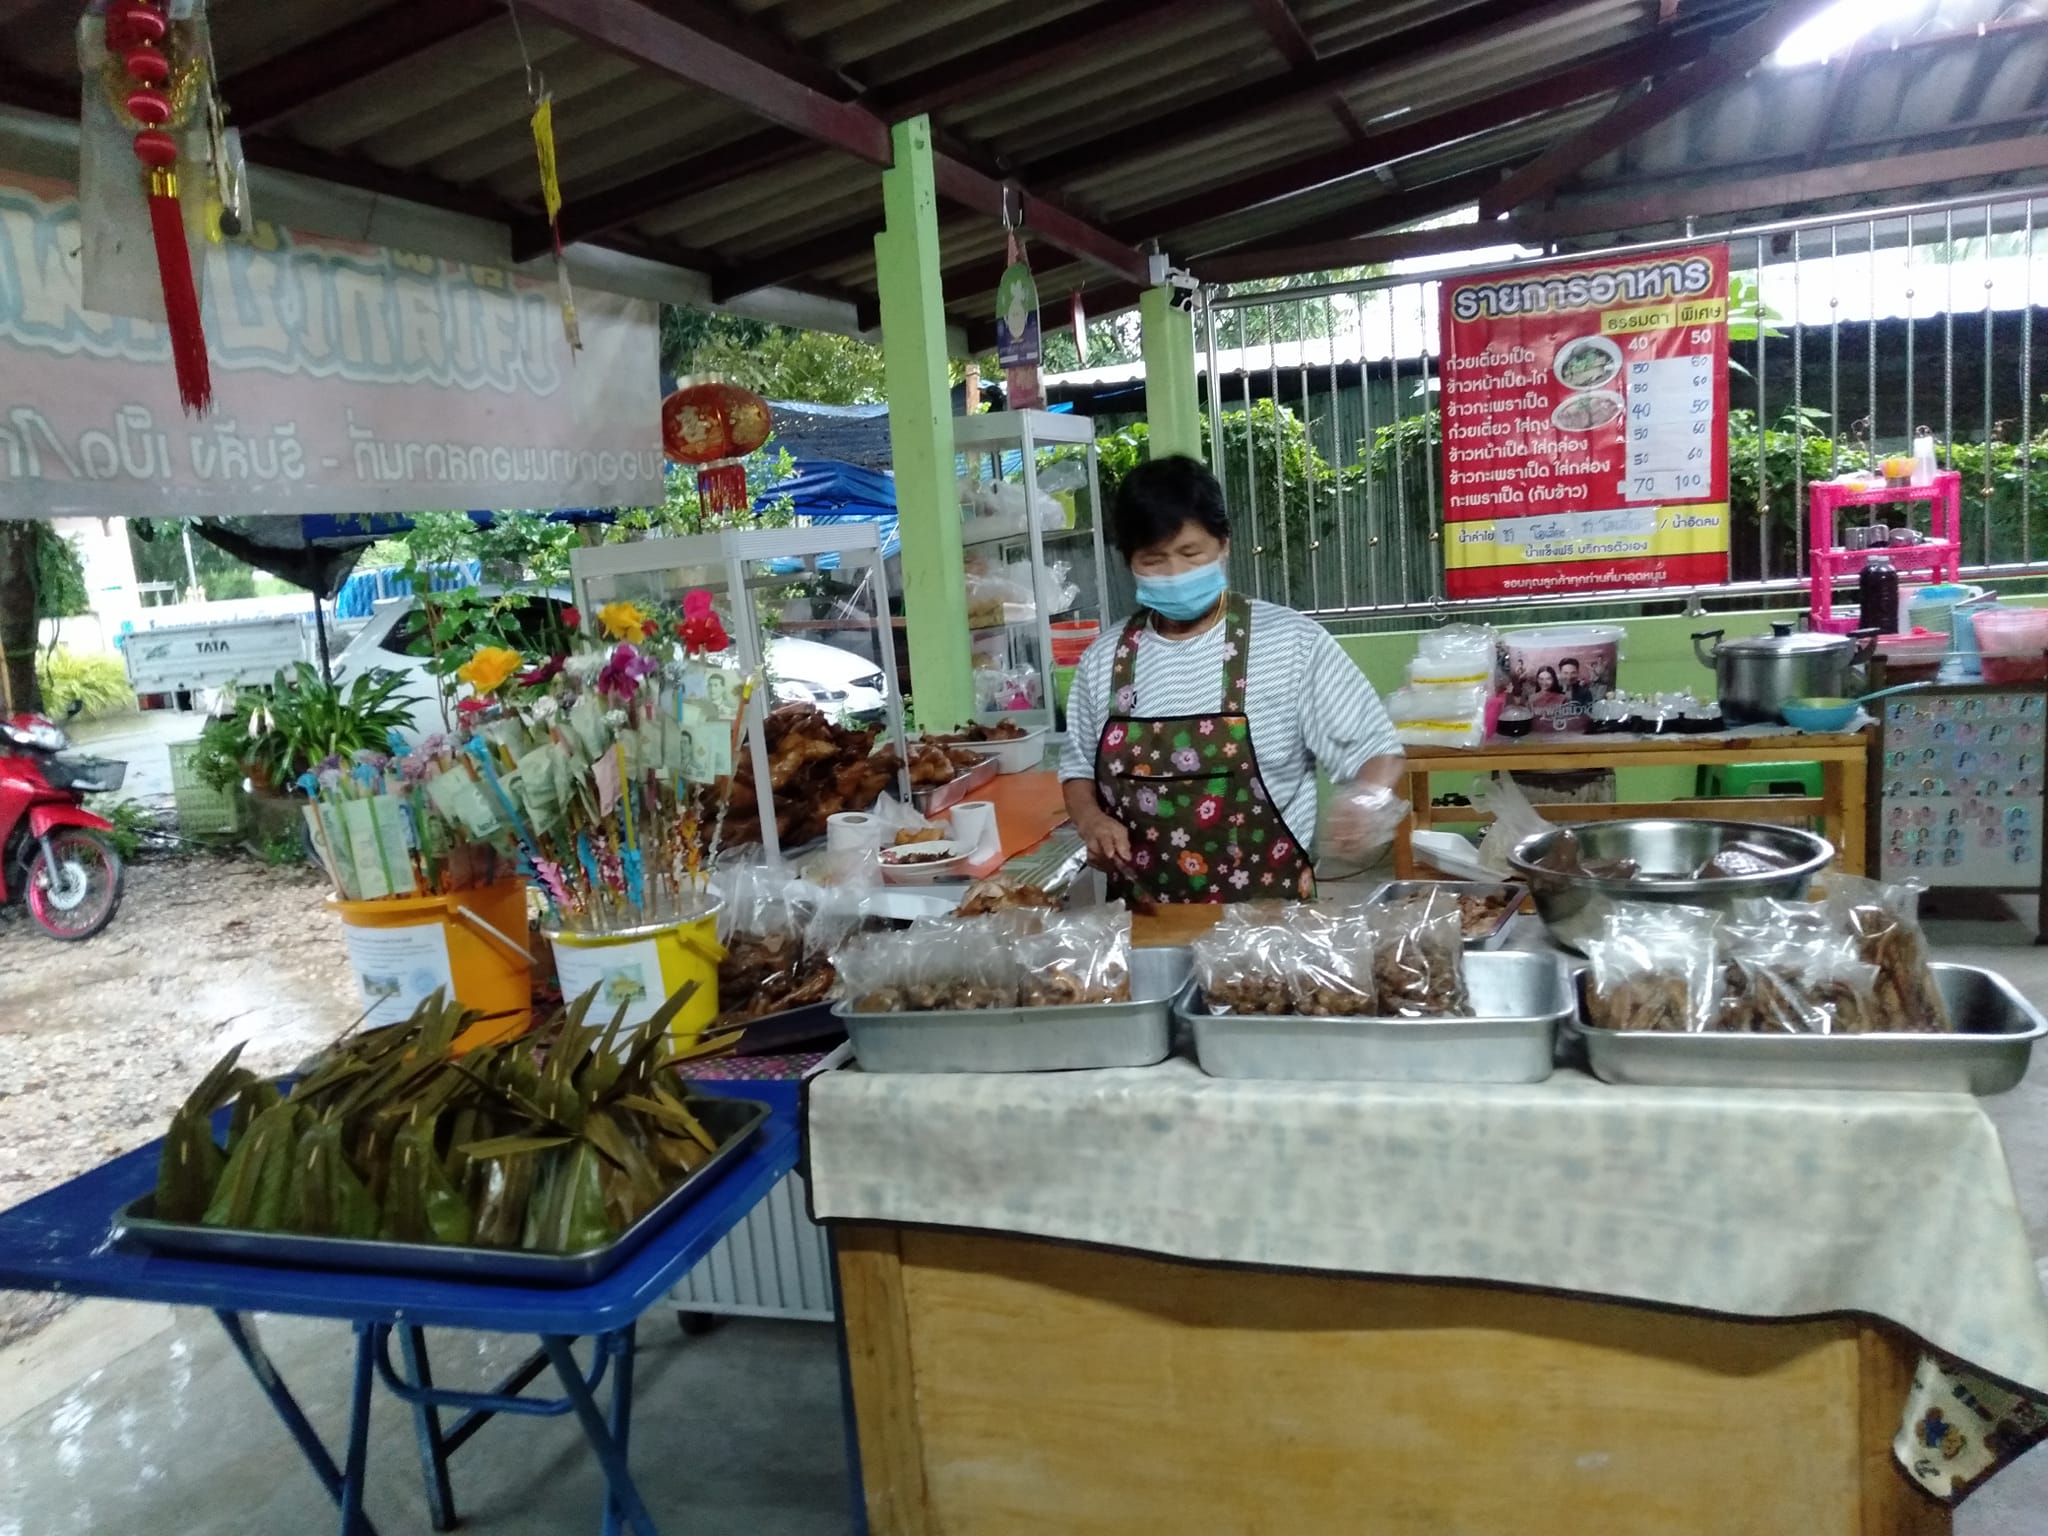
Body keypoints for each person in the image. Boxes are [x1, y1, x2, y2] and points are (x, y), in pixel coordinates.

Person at [1060, 456, 1405, 904]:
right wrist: (1091, 821)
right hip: (1146, 920)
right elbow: (1077, 770)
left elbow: (1376, 748)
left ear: (1223, 544)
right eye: (1154, 560)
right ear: (1129, 562)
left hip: (1268, 920)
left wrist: (1365, 801)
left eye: (1190, 554)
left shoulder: (1291, 643)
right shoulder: (1103, 660)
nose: (1175, 574)